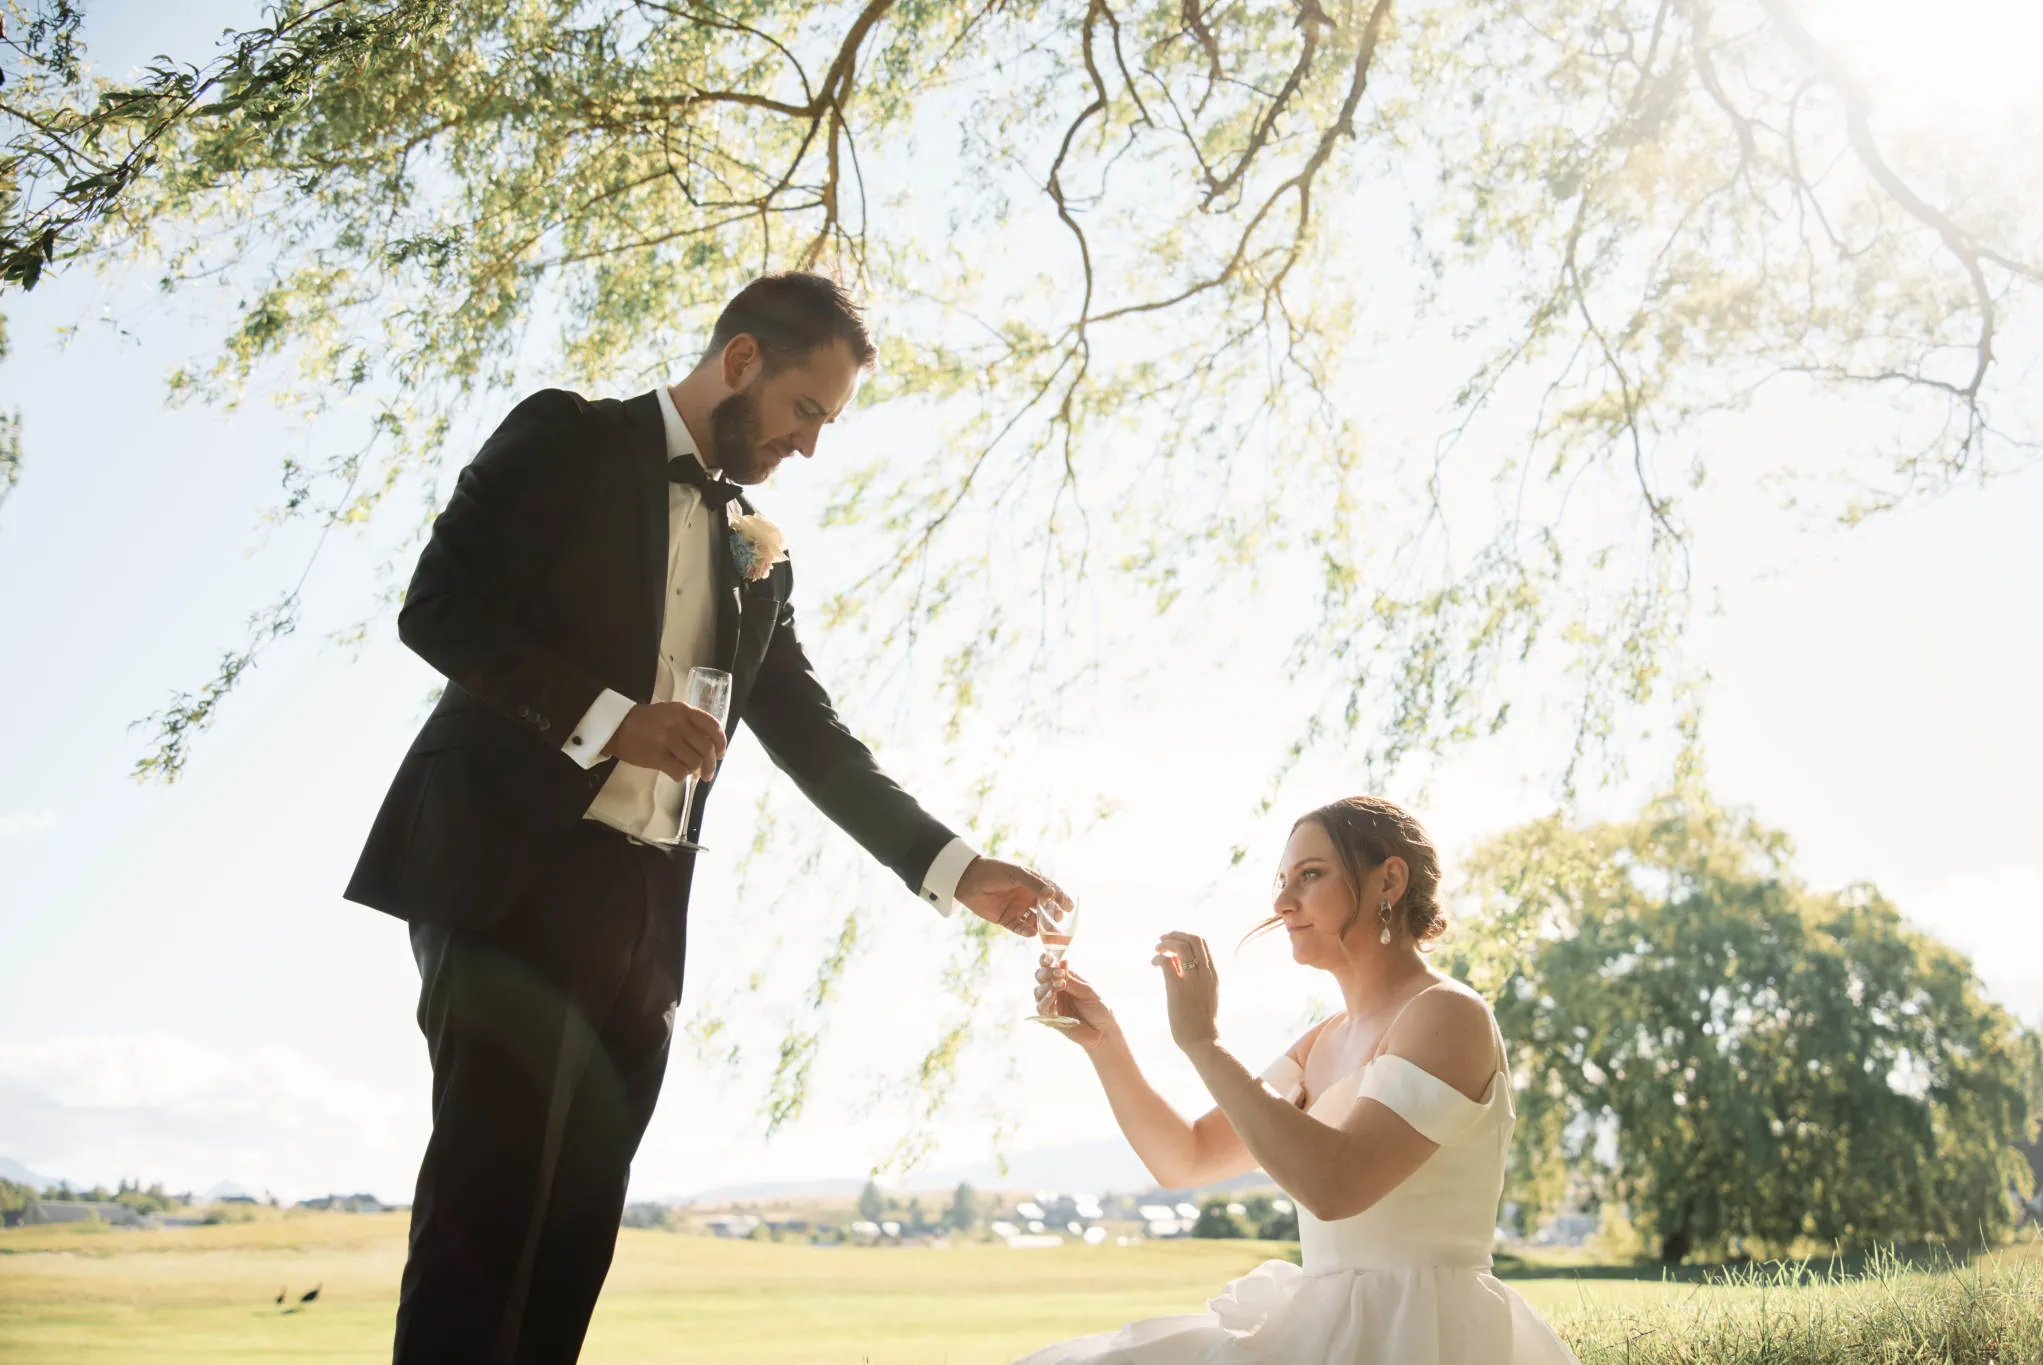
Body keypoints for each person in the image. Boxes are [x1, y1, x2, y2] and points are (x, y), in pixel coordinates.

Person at [342, 272, 1067, 1365]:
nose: (811, 446)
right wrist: (606, 721)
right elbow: (437, 606)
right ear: (740, 361)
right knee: (485, 1219)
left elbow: (811, 736)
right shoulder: (565, 438)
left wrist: (955, 869)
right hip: (507, 877)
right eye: (806, 410)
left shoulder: (758, 552)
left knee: (577, 1230)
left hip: (648, 904)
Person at [1020, 796, 1577, 1364]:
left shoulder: (1448, 1013)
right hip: (1322, 1329)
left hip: (1425, 1332)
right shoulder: (1320, 1040)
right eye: (1282, 881)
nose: (1283, 902)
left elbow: (1337, 1186)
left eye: (1310, 876)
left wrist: (1204, 1044)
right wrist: (1105, 1041)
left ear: (1389, 880)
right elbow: (1185, 1159)